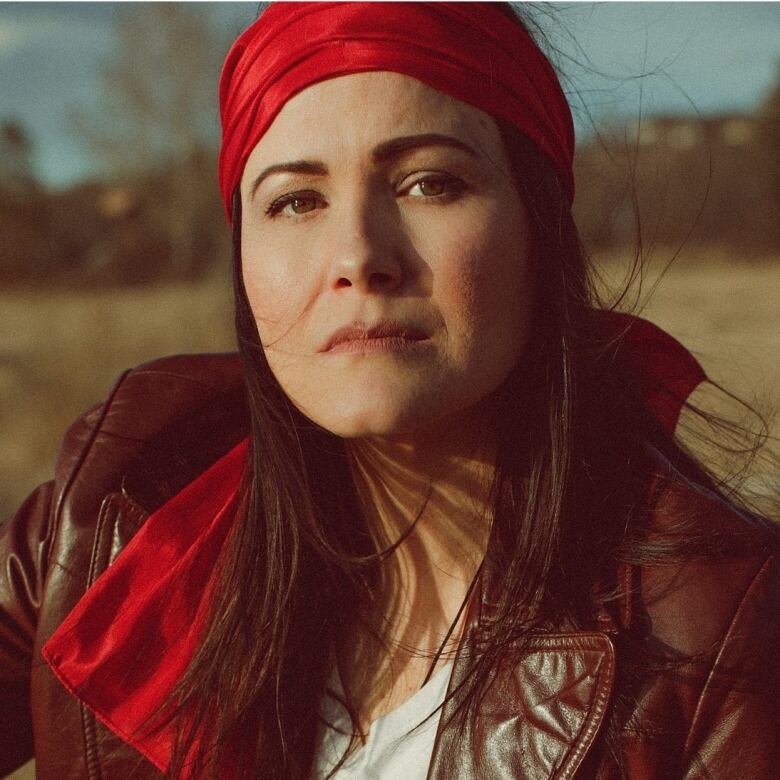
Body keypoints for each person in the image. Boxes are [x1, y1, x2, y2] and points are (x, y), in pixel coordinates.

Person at [2, 3, 778, 778]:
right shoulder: (109, 521)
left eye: (428, 183)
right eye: (296, 201)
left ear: (540, 229)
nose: (358, 256)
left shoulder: (725, 633)